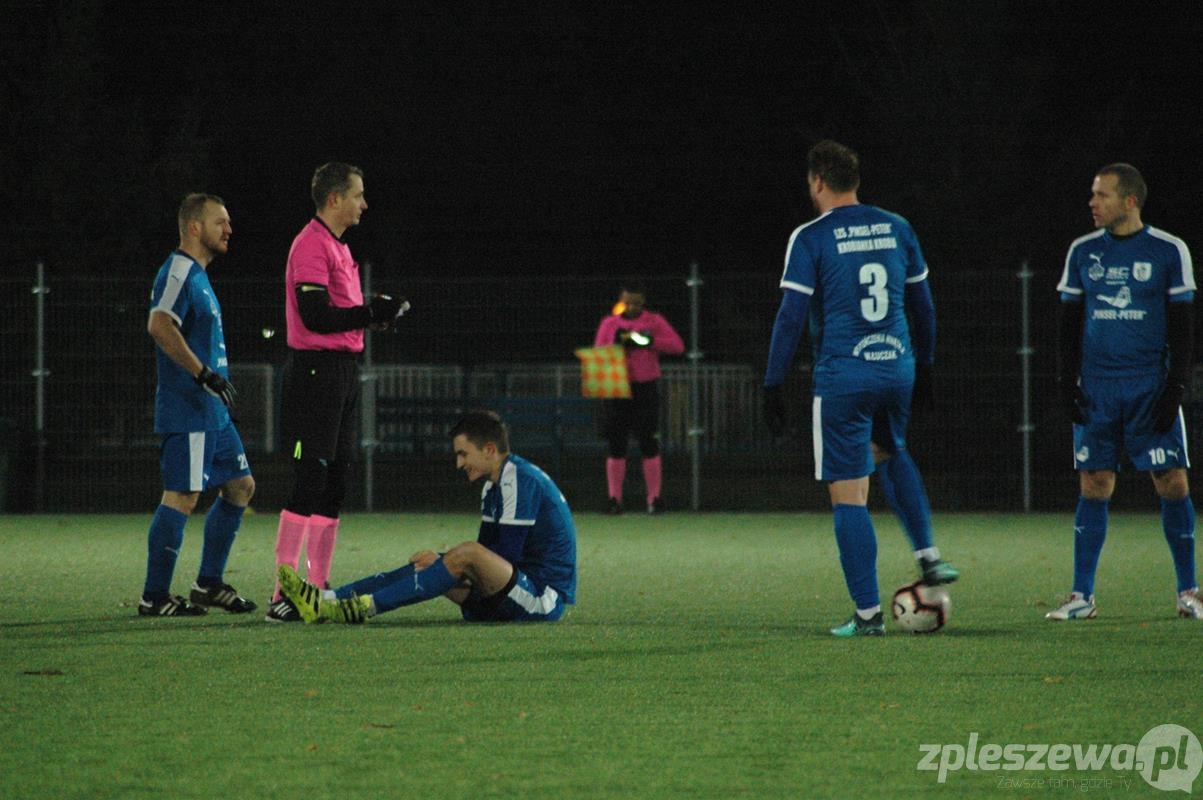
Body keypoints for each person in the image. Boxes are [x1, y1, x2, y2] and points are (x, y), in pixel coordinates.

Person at [762, 140, 958, 638]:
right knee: (890, 449)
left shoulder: (811, 236)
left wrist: (773, 382)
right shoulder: (897, 226)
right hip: (897, 367)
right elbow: (924, 306)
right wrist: (926, 366)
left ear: (817, 181)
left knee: (847, 493)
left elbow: (790, 317)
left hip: (844, 375)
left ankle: (868, 615)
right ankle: (929, 555)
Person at [1050, 163, 1201, 621]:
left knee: (1171, 481)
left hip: (1148, 386)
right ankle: (1081, 596)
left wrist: (1175, 386)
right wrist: (1066, 381)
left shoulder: (1168, 250)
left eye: (1102, 195)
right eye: (1093, 195)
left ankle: (1189, 592)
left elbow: (1183, 324)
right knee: (1094, 482)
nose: (1092, 203)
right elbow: (1069, 322)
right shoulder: (1083, 251)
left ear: (1130, 201)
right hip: (1098, 387)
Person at [266, 162, 407, 622]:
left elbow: (340, 315)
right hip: (315, 372)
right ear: (334, 199)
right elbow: (315, 316)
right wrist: (369, 313)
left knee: (336, 481)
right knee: (311, 477)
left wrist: (374, 315)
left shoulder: (338, 246)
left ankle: (319, 588)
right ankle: (283, 593)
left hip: (341, 371)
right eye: (357, 195)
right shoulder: (311, 243)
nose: (364, 203)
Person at [277, 410, 577, 624]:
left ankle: (361, 608)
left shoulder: (519, 480)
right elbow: (489, 555)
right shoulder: (494, 486)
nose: (459, 463)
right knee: (430, 563)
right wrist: (442, 563)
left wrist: (447, 563)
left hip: (541, 598)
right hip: (511, 590)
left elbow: (502, 556)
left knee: (461, 556)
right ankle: (326, 600)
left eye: (463, 454)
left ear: (489, 449)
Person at [140, 193, 257, 616]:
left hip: (213, 412)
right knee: (182, 496)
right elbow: (159, 324)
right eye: (220, 222)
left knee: (241, 487)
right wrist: (202, 374)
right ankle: (154, 596)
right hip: (188, 407)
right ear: (194, 227)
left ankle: (208, 584)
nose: (229, 229)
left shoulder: (199, 275)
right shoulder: (177, 271)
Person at [592, 282, 684, 514]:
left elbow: (677, 346)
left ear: (643, 302)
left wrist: (649, 341)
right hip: (618, 387)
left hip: (645, 388)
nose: (632, 307)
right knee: (616, 443)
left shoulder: (654, 321)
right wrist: (616, 344)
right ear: (622, 301)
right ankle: (614, 499)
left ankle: (654, 499)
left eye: (636, 303)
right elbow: (598, 351)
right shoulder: (610, 323)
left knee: (648, 441)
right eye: (628, 302)